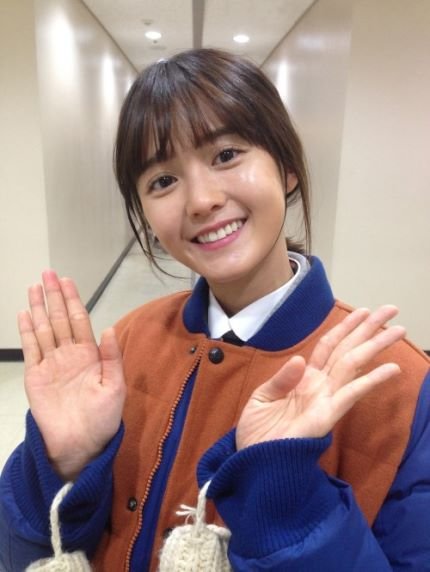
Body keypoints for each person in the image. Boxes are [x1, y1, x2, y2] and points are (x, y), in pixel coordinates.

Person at [0, 48, 429, 572]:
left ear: (287, 168)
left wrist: (285, 499)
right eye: (162, 181)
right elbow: (26, 554)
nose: (201, 200)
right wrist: (64, 465)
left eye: (226, 154)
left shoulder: (398, 385)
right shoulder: (129, 343)